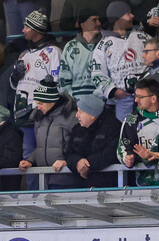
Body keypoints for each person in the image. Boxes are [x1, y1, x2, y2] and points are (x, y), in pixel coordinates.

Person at [90, 2, 149, 121]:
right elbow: (97, 74)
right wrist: (114, 91)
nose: (132, 16)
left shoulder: (142, 37)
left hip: (148, 97)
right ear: (117, 18)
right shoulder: (103, 45)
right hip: (123, 101)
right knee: (125, 134)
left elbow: (155, 59)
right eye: (128, 13)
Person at [12, 10, 61, 142]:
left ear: (37, 28)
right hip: (21, 114)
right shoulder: (23, 54)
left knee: (39, 155)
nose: (23, 30)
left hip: (41, 114)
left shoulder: (53, 52)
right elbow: (14, 85)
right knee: (26, 158)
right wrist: (15, 77)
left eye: (27, 27)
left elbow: (57, 84)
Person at [19, 78, 78, 183]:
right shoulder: (39, 118)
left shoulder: (70, 116)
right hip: (44, 179)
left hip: (65, 177)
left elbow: (78, 145)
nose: (38, 107)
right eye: (37, 103)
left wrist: (67, 162)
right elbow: (42, 147)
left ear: (52, 101)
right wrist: (30, 160)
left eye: (41, 103)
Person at [58, 94, 121, 188]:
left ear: (92, 115)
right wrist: (77, 162)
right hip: (81, 185)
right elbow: (68, 153)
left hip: (110, 185)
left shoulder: (114, 127)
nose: (76, 115)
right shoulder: (77, 129)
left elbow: (111, 153)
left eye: (80, 112)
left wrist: (88, 164)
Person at [118, 77, 159, 186]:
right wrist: (127, 158)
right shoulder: (131, 120)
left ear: (153, 98)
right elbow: (122, 148)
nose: (135, 100)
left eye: (140, 97)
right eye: (135, 96)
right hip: (145, 184)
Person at [58, 11, 102, 101]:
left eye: (98, 20)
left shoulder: (105, 44)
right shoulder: (70, 47)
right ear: (83, 24)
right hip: (77, 105)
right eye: (94, 20)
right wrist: (72, 100)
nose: (99, 23)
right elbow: (64, 79)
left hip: (102, 103)